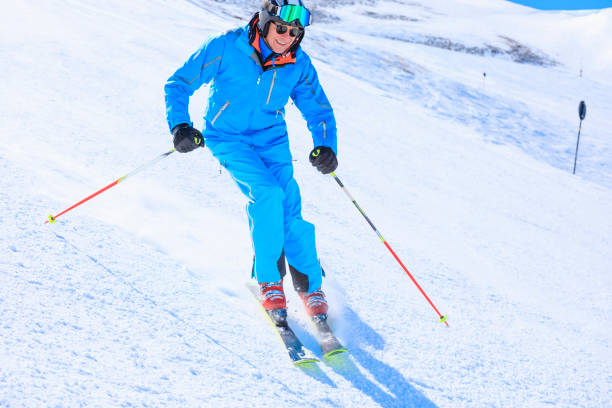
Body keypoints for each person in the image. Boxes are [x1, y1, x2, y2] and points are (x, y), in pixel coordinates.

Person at [164, 0, 338, 321]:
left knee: (288, 205)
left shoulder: (298, 63)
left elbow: (318, 110)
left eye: (294, 32)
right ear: (264, 21)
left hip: (272, 140)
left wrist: (325, 145)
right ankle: (269, 281)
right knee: (267, 193)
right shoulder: (227, 47)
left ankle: (310, 285)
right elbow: (178, 83)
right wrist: (180, 126)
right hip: (227, 137)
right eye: (281, 28)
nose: (286, 37)